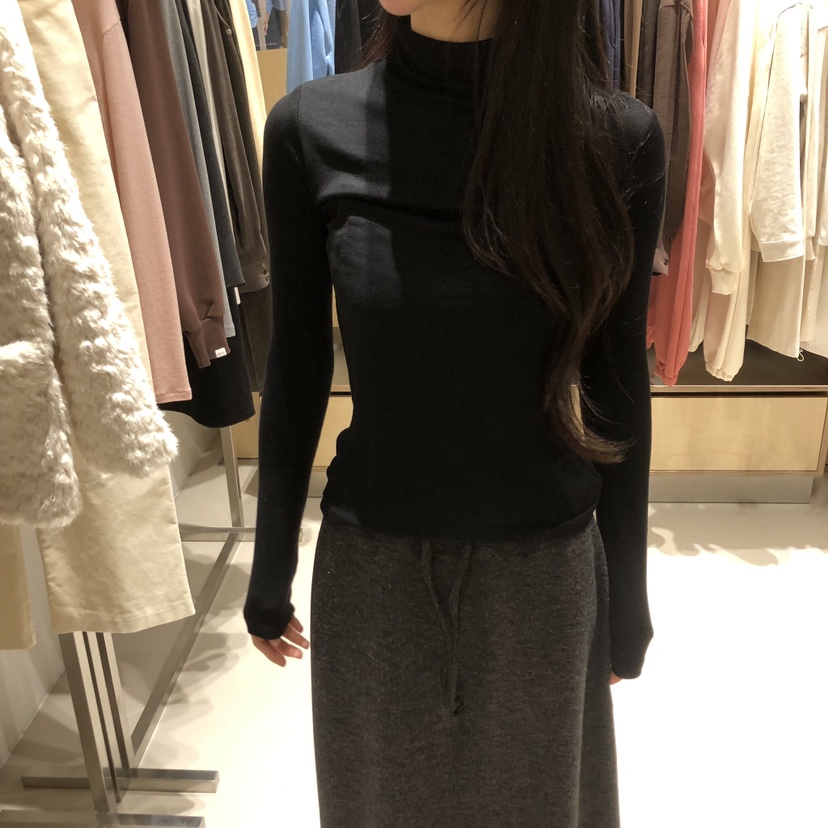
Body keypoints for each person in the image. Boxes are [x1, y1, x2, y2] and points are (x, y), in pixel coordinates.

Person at [244, 0, 666, 825]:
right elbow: (296, 365)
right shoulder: (310, 131)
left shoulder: (614, 139)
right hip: (374, 570)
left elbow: (618, 379)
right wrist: (270, 564)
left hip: (543, 570)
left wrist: (629, 592)